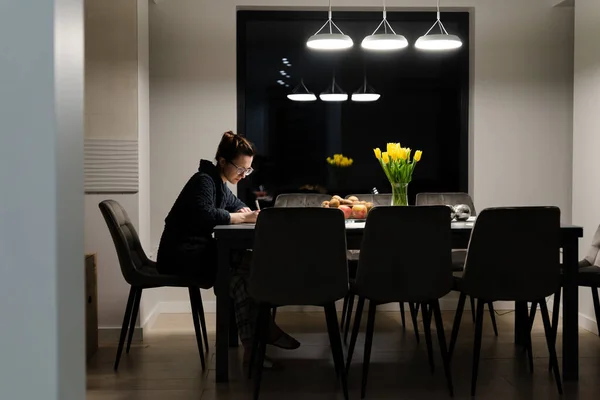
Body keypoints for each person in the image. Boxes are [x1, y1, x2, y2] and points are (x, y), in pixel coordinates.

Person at [156, 131, 300, 366]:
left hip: (198, 253)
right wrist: (243, 219)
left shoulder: (219, 185)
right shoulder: (203, 180)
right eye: (240, 169)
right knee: (246, 266)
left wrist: (244, 212)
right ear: (222, 161)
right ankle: (263, 331)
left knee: (241, 277)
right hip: (180, 256)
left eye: (248, 170)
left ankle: (253, 344)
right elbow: (206, 216)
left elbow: (238, 206)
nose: (243, 175)